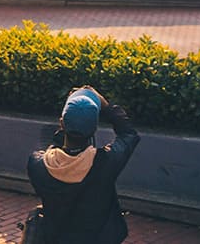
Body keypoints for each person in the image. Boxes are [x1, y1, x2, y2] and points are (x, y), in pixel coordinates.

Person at [26, 86, 140, 244]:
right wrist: (106, 106)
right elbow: (129, 135)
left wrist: (70, 117)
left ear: (62, 123)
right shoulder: (106, 163)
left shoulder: (38, 164)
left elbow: (58, 148)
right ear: (94, 129)